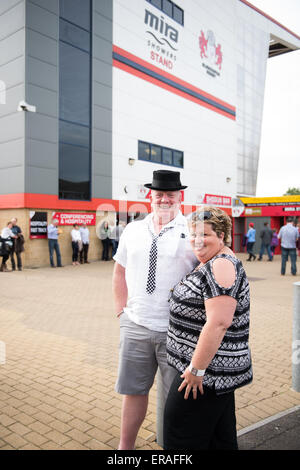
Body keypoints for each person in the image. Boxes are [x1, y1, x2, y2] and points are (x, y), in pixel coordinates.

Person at [112, 170, 197, 450]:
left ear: (179, 197)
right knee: (133, 393)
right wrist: (120, 313)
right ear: (150, 196)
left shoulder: (193, 231)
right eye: (158, 194)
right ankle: (125, 449)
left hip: (177, 330)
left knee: (177, 399)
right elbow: (119, 271)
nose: (163, 199)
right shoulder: (133, 229)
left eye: (169, 194)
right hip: (135, 324)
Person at [164, 207, 253, 450]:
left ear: (222, 236)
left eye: (205, 234)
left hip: (205, 377)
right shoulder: (214, 261)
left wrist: (196, 370)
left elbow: (219, 323)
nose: (197, 240)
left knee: (179, 438)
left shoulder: (221, 265)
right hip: (211, 377)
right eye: (193, 234)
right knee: (218, 441)